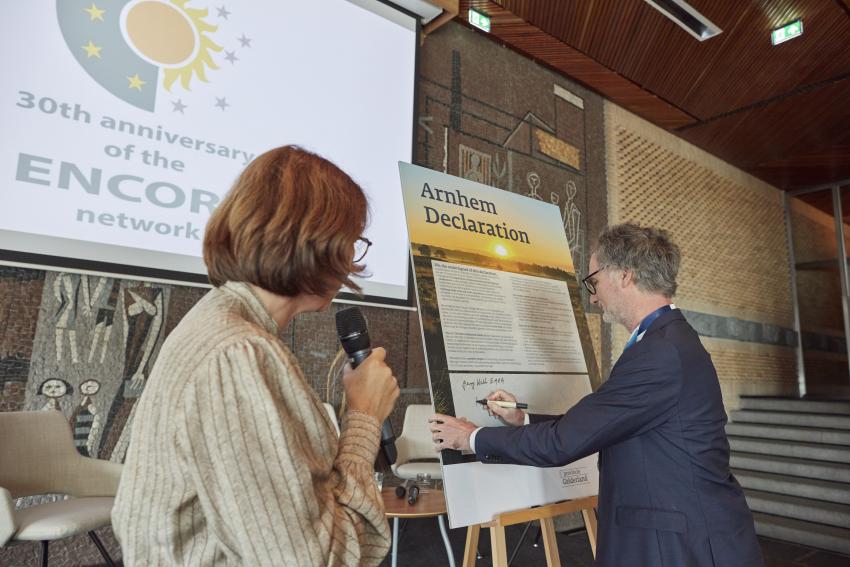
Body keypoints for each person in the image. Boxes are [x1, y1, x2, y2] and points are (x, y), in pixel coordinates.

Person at [112, 146, 399, 566]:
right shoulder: (239, 354)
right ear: (317, 242)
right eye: (352, 241)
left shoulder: (218, 320)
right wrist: (364, 417)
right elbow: (312, 559)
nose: (352, 259)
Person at [429, 223, 763, 567]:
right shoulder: (665, 341)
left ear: (624, 275)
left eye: (594, 280)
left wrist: (471, 438)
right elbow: (607, 424)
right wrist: (521, 419)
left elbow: (563, 442)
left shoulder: (660, 353)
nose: (592, 295)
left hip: (678, 544)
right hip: (680, 533)